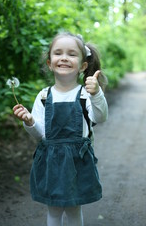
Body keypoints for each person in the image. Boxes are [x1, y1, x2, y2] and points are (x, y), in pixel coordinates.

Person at [13, 32, 108, 226]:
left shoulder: (85, 95)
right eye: (58, 53)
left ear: (83, 66)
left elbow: (101, 117)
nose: (64, 57)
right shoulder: (43, 96)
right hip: (51, 162)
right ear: (50, 63)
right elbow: (40, 136)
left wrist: (97, 93)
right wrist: (30, 121)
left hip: (77, 161)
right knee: (54, 210)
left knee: (73, 209)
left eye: (72, 54)